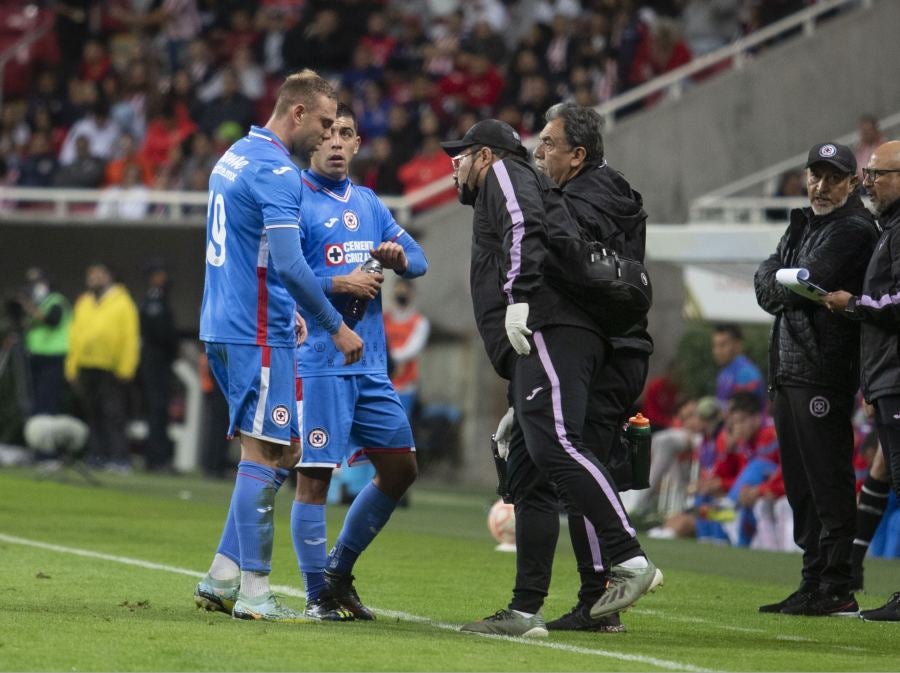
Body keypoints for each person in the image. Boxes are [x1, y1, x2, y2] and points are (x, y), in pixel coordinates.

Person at [443, 119, 660, 638]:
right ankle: (525, 612)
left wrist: (519, 299)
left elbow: (523, 228)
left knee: (558, 445)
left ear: (487, 156)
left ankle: (627, 559)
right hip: (541, 343)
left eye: (464, 153)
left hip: (546, 327)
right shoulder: (519, 180)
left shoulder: (505, 176)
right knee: (530, 476)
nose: (455, 164)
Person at [193, 70, 363, 624]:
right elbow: (289, 262)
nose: (327, 135)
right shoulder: (277, 172)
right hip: (255, 330)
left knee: (279, 450)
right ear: (296, 115)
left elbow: (251, 250)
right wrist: (334, 326)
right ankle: (255, 591)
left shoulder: (235, 155)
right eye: (322, 123)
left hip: (227, 320)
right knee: (266, 454)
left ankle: (221, 576)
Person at [290, 103, 428, 621]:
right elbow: (287, 274)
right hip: (320, 360)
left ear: (355, 144)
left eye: (345, 133)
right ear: (311, 142)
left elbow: (419, 260)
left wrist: (395, 258)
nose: (336, 142)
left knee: (400, 469)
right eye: (327, 133)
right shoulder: (295, 200)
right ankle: (315, 594)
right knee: (315, 479)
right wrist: (340, 283)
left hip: (368, 364)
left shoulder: (369, 204)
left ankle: (339, 570)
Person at [529, 102, 656, 632]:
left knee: (576, 463)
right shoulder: (619, 191)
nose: (539, 152)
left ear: (578, 155)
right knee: (590, 461)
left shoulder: (580, 199)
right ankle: (603, 600)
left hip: (606, 346)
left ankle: (608, 587)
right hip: (627, 346)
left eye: (549, 144)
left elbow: (572, 257)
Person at [754, 142, 879, 617]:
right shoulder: (805, 223)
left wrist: (781, 280)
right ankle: (813, 580)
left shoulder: (852, 228)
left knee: (826, 479)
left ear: (851, 183)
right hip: (792, 369)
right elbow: (773, 282)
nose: (821, 186)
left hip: (823, 370)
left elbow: (810, 281)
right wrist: (782, 280)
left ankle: (837, 584)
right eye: (815, 175)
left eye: (832, 178)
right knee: (802, 484)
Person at [821, 140, 900, 622]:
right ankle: (850, 567)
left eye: (878, 174)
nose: (867, 182)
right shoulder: (888, 227)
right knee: (885, 470)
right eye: (867, 173)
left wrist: (853, 304)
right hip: (887, 373)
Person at [65, 263, 140, 472]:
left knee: (114, 414)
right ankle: (96, 455)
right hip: (86, 365)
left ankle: (120, 458)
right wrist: (72, 366)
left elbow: (129, 337)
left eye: (98, 275)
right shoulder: (84, 302)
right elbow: (75, 334)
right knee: (93, 414)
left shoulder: (122, 302)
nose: (94, 279)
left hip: (111, 368)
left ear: (109, 277)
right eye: (91, 275)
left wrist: (126, 367)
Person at [138, 259, 178, 472]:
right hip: (155, 361)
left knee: (159, 410)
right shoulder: (154, 300)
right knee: (157, 409)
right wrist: (173, 348)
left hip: (158, 361)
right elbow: (161, 333)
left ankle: (157, 456)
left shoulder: (159, 298)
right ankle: (156, 458)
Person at [18, 268, 71, 417]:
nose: (34, 287)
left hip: (54, 356)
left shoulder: (56, 300)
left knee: (49, 395)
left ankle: (48, 428)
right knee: (37, 396)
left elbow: (53, 320)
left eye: (38, 282)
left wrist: (29, 308)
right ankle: (37, 425)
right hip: (36, 356)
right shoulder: (39, 304)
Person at [383, 278, 430, 420]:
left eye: (405, 291)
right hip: (384, 384)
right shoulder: (383, 319)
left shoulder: (419, 322)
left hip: (405, 386)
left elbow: (412, 349)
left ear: (412, 294)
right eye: (398, 290)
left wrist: (390, 358)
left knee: (401, 425)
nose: (401, 294)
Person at [711, 324, 765, 411]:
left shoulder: (747, 373)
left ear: (737, 345)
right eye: (715, 345)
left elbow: (744, 414)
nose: (717, 351)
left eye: (722, 345)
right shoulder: (724, 372)